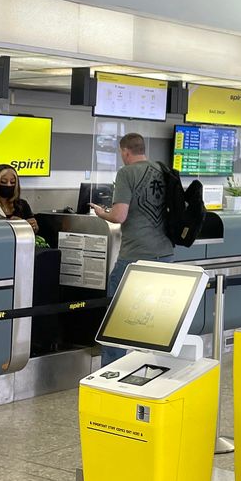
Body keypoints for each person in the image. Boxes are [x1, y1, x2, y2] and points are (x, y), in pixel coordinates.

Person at [92, 132, 172, 364]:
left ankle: (112, 369)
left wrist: (102, 213)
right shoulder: (163, 170)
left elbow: (119, 216)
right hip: (165, 253)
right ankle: (150, 365)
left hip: (136, 256)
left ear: (125, 151)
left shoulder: (126, 173)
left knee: (118, 316)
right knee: (155, 317)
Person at [0, 163, 38, 231]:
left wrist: (31, 225)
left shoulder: (22, 205)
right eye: (3, 182)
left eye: (12, 182)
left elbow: (34, 230)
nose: (8, 185)